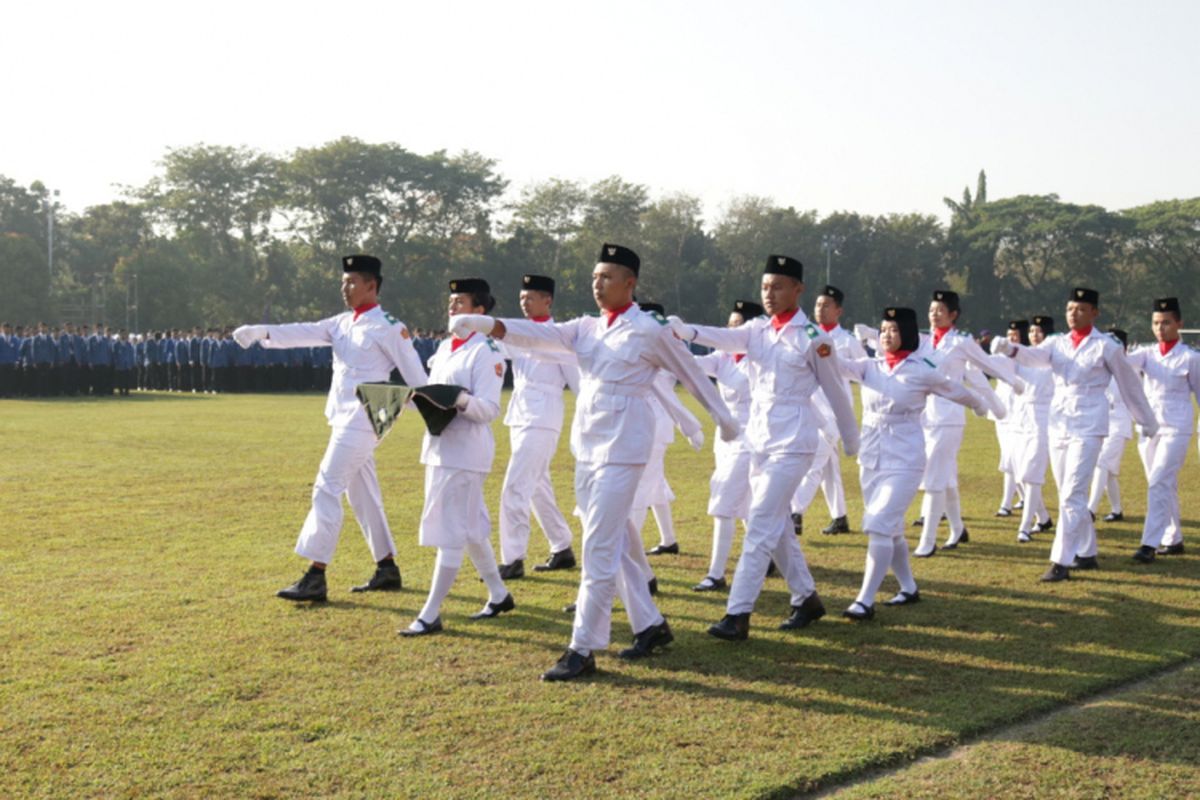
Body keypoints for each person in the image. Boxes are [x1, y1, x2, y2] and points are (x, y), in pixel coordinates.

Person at [450, 243, 740, 681]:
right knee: (614, 539)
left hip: (626, 446)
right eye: (593, 278)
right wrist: (488, 324)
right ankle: (651, 625)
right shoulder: (586, 327)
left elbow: (691, 375)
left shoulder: (649, 329)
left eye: (607, 277)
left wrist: (723, 420)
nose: (598, 285)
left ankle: (582, 647)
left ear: (630, 283)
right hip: (588, 444)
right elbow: (538, 335)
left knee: (599, 548)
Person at [670, 254, 860, 642]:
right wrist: (686, 330)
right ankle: (806, 597)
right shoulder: (757, 330)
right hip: (759, 439)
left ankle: (737, 613)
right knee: (776, 529)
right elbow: (722, 337)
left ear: (798, 289)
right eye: (764, 287)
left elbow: (835, 391)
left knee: (759, 523)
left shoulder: (814, 339)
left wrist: (850, 437)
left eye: (777, 287)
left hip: (794, 442)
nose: (769, 294)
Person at [233, 254, 429, 600]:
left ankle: (315, 574)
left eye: (352, 281)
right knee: (363, 494)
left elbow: (416, 378)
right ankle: (387, 567)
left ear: (372, 285)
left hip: (367, 415)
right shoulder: (341, 323)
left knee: (326, 487)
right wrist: (261, 331)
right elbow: (302, 331)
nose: (345, 287)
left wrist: (433, 412)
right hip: (342, 415)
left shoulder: (388, 326)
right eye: (343, 281)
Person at [994, 288, 1157, 581]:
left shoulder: (1106, 346)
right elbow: (1034, 357)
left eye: (1081, 309)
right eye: (1070, 308)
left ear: (1094, 313)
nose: (1073, 314)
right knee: (1067, 493)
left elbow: (1129, 384)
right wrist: (1011, 349)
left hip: (1090, 424)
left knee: (1072, 493)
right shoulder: (1056, 342)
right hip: (1059, 424)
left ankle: (1061, 561)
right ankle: (1087, 551)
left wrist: (1146, 420)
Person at [836, 307, 989, 619]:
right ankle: (908, 587)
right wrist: (820, 350)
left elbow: (955, 390)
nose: (886, 336)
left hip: (905, 457)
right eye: (882, 330)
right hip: (872, 455)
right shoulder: (870, 366)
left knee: (878, 523)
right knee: (890, 529)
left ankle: (865, 600)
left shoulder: (922, 369)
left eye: (893, 330)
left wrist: (980, 404)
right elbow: (839, 366)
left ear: (906, 333)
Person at [400, 278, 514, 636]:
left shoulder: (487, 351)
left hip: (466, 452)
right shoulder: (446, 347)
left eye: (460, 302)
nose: (452, 308)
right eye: (450, 301)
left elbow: (488, 409)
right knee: (470, 527)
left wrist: (459, 399)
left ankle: (430, 613)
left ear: (479, 312)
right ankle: (499, 593)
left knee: (451, 531)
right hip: (439, 446)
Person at [495, 274, 579, 580]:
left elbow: (578, 384)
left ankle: (512, 558)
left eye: (530, 298)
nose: (524, 303)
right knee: (537, 487)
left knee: (515, 486)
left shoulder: (559, 336)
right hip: (520, 415)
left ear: (547, 300)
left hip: (544, 418)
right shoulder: (519, 333)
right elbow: (496, 346)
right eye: (521, 299)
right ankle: (562, 547)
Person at [690, 300, 761, 591]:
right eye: (729, 325)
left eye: (738, 325)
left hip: (751, 437)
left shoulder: (760, 360)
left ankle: (716, 573)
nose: (731, 330)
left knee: (723, 503)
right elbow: (692, 366)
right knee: (746, 506)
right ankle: (768, 557)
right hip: (726, 438)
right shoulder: (723, 357)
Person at [790, 284, 867, 536]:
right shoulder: (806, 335)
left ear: (839, 310)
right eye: (817, 305)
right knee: (828, 468)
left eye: (826, 306)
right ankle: (840, 517)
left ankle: (795, 512)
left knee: (813, 463)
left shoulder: (847, 341)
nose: (820, 309)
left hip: (834, 414)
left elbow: (866, 371)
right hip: (811, 409)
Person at [1127, 298, 1200, 562]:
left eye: (1166, 322)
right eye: (1156, 323)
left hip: (1176, 428)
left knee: (1159, 481)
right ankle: (1174, 538)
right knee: (1161, 484)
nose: (1160, 328)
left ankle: (1149, 543)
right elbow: (1122, 362)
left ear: (1179, 324)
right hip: (1149, 429)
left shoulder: (1191, 357)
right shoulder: (1147, 354)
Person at [1002, 315, 1056, 543]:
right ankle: (1042, 517)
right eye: (1032, 331)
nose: (1034, 335)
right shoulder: (1023, 358)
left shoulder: (1054, 358)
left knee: (1031, 475)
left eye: (1039, 331)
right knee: (1018, 473)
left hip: (1043, 418)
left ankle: (1024, 526)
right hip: (1021, 418)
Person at [1086, 329, 1132, 524]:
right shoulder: (1100, 365)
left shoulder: (1129, 367)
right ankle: (1117, 509)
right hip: (1102, 419)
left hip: (1120, 420)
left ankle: (1090, 510)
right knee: (1109, 471)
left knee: (1102, 463)